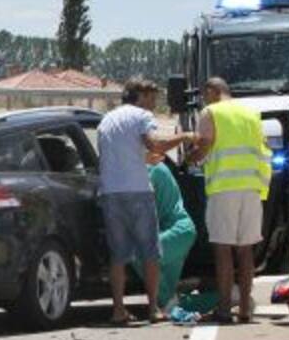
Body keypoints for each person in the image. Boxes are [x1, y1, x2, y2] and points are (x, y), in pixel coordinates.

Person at [97, 78, 196, 325]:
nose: (153, 103)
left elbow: (122, 157)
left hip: (110, 193)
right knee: (150, 252)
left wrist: (144, 160)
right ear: (140, 96)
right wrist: (185, 136)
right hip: (138, 192)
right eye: (151, 97)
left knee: (118, 256)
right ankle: (153, 309)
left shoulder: (106, 120)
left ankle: (118, 310)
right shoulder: (141, 116)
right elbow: (157, 145)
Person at [189, 77, 272, 324]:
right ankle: (245, 309)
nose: (205, 99)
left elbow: (205, 144)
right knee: (246, 251)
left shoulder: (211, 112)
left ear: (213, 91)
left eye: (206, 94)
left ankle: (225, 309)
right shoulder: (251, 113)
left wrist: (190, 157)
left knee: (223, 249)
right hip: (252, 188)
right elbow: (264, 148)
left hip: (224, 188)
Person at [132, 152, 198, 311]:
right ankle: (230, 295)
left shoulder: (150, 170)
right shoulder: (155, 166)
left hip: (176, 230)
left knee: (140, 255)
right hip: (179, 231)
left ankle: (229, 296)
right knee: (170, 298)